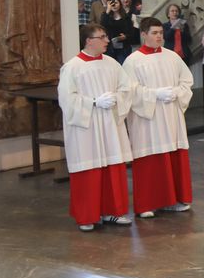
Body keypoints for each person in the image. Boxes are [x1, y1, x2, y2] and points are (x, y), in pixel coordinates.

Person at [58, 24, 133, 231]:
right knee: (88, 168)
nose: (107, 40)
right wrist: (93, 102)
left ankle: (114, 212)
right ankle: (87, 215)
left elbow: (126, 89)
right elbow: (66, 99)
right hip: (87, 127)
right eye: (102, 37)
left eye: (106, 37)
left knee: (112, 166)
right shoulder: (72, 67)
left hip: (109, 124)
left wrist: (115, 98)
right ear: (88, 41)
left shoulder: (112, 64)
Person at [122, 16, 194, 218]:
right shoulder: (133, 61)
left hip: (171, 115)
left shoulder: (172, 56)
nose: (159, 37)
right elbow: (129, 91)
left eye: (161, 33)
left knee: (173, 157)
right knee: (151, 159)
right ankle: (146, 203)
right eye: (154, 33)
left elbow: (186, 81)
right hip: (149, 120)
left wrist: (177, 93)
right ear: (143, 35)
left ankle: (173, 201)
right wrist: (155, 95)